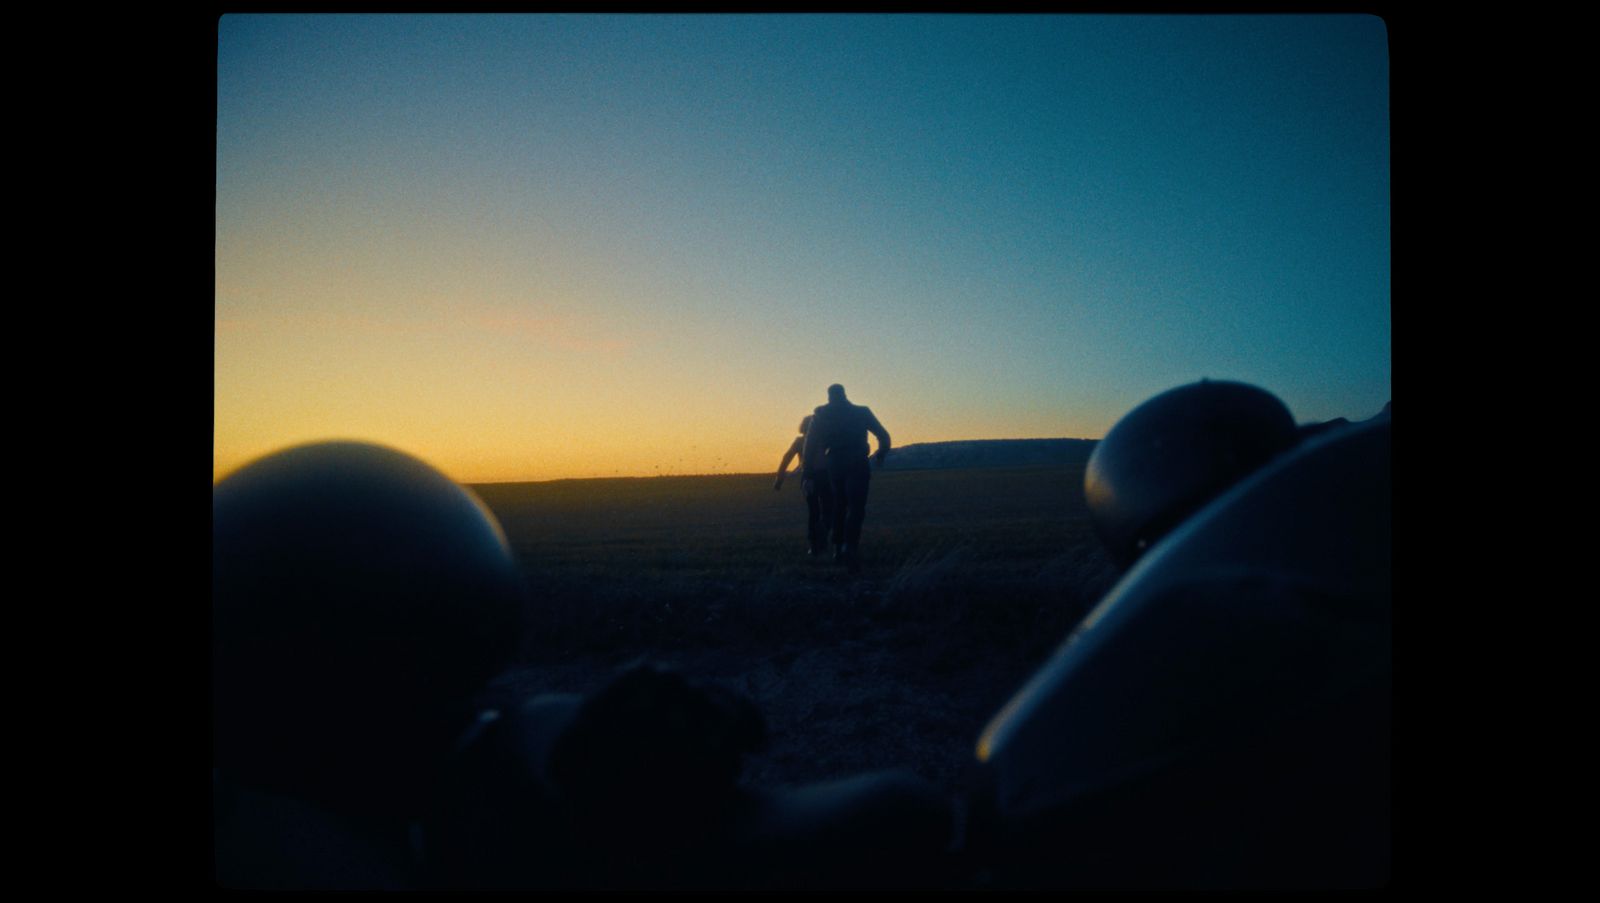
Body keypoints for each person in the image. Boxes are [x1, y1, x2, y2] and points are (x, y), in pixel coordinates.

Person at [801, 384, 891, 572]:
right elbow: (883, 435)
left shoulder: (821, 415)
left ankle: (837, 547)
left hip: (834, 462)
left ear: (829, 397)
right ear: (845, 395)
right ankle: (850, 546)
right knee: (856, 506)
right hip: (858, 460)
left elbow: (809, 447)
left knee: (839, 505)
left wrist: (807, 473)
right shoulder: (862, 412)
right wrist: (880, 454)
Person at [774, 414, 835, 556]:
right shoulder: (826, 440)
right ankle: (822, 535)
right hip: (825, 477)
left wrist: (779, 478)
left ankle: (814, 545)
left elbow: (786, 458)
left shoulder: (799, 442)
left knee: (814, 511)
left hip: (808, 478)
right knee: (828, 510)